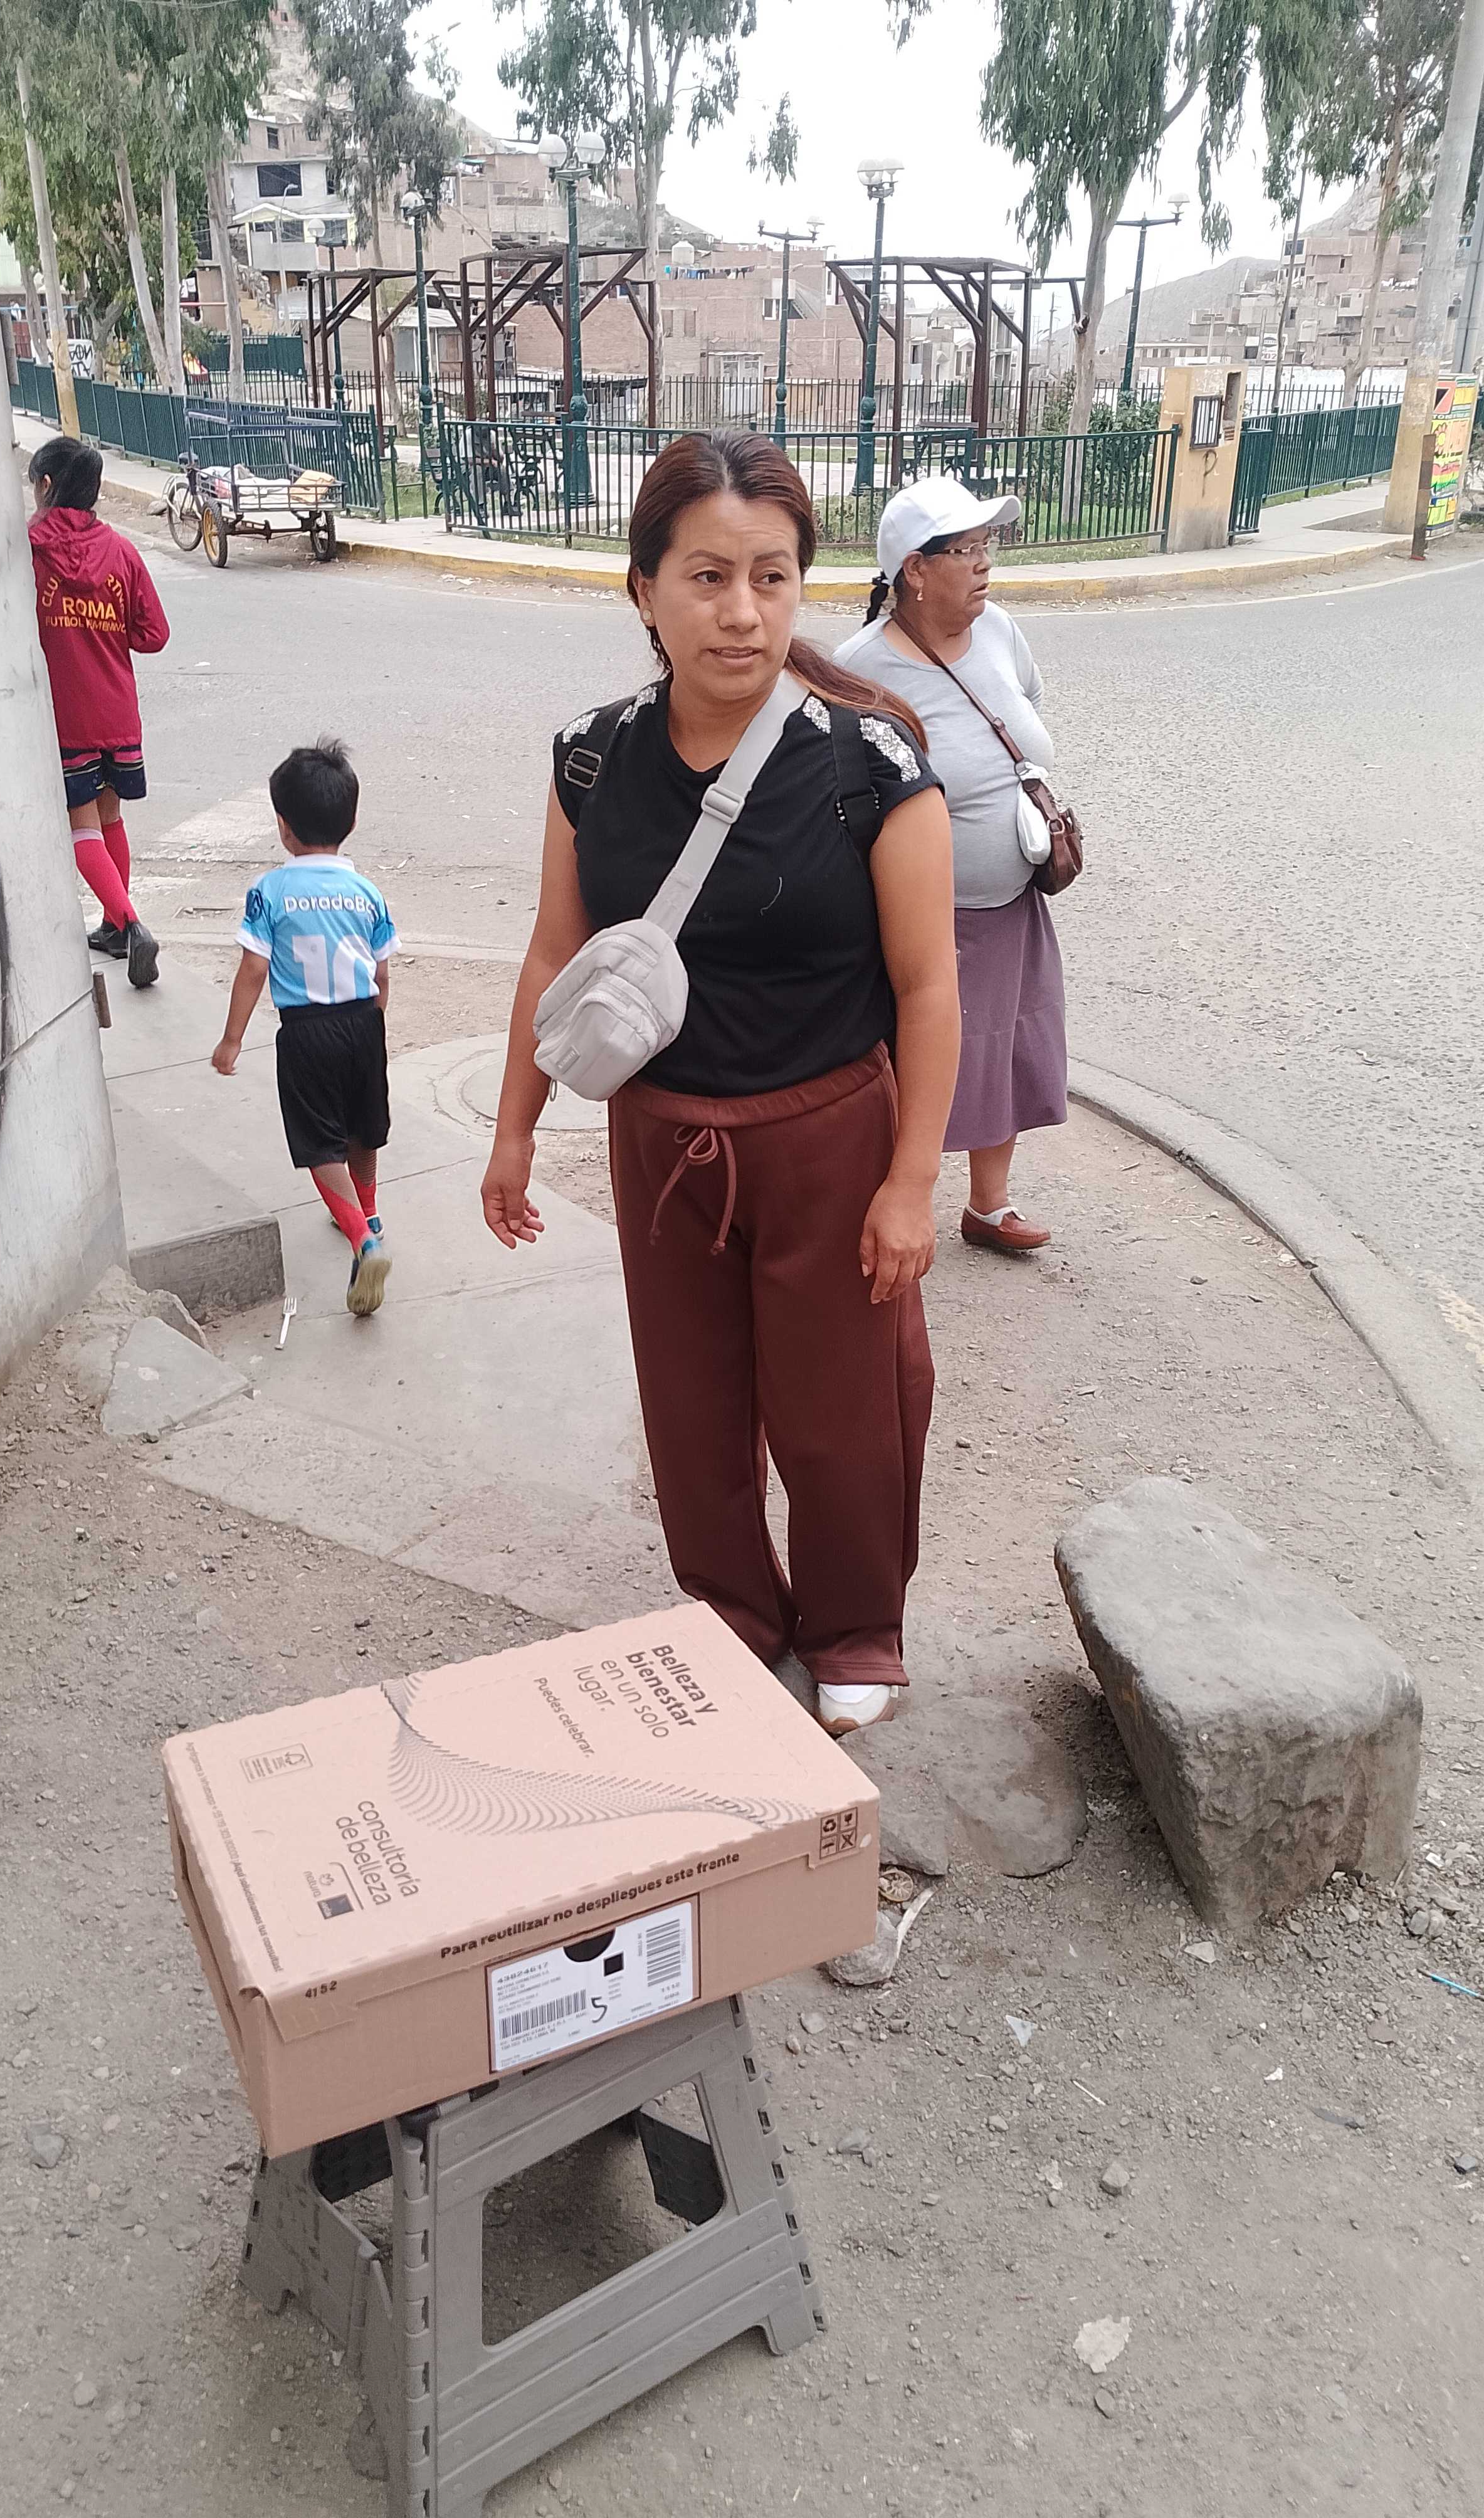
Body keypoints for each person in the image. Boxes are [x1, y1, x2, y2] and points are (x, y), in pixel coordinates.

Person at [482, 433, 960, 1736]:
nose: (741, 612)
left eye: (771, 576)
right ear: (644, 590)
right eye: (706, 577)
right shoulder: (592, 760)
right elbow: (555, 949)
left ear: (803, 585)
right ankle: (735, 1613)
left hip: (829, 1141)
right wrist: (515, 1131)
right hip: (661, 1147)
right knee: (692, 1411)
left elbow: (929, 989)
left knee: (843, 1410)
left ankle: (856, 1626)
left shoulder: (869, 766)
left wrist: (911, 1182)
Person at [834, 479, 1068, 1254]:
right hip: (924, 919)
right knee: (915, 1064)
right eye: (965, 550)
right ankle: (887, 1211)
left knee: (1003, 1045)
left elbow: (1028, 705)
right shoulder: (863, 670)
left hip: (1012, 902)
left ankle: (988, 1207)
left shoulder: (999, 630)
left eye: (986, 546)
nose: (984, 564)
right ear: (914, 570)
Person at [211, 741, 395, 1317]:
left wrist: (232, 1039)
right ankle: (369, 1215)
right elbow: (382, 973)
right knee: (363, 1130)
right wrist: (373, 1025)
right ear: (352, 823)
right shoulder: (367, 892)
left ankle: (363, 1241)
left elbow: (253, 969)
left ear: (283, 827)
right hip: (363, 1022)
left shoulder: (270, 892)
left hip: (306, 1031)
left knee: (320, 1144)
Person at [27, 435, 168, 989]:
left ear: (45, 485)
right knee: (111, 820)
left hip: (70, 715)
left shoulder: (28, 550)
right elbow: (154, 634)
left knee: (81, 826)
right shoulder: (122, 552)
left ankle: (130, 925)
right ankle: (114, 924)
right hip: (118, 710)